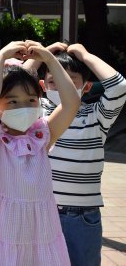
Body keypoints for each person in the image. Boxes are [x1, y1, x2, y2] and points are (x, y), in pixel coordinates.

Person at [0, 41, 79, 265]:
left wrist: (49, 59)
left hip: (39, 230)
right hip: (0, 228)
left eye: (30, 100)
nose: (22, 106)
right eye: (12, 101)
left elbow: (71, 102)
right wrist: (1, 56)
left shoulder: (42, 135)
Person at [25, 42, 126, 266]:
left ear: (86, 87)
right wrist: (44, 54)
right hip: (41, 212)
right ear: (42, 85)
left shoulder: (96, 116)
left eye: (72, 81)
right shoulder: (36, 111)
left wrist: (85, 55)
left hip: (82, 218)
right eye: (54, 81)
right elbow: (14, 82)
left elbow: (119, 87)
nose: (62, 87)